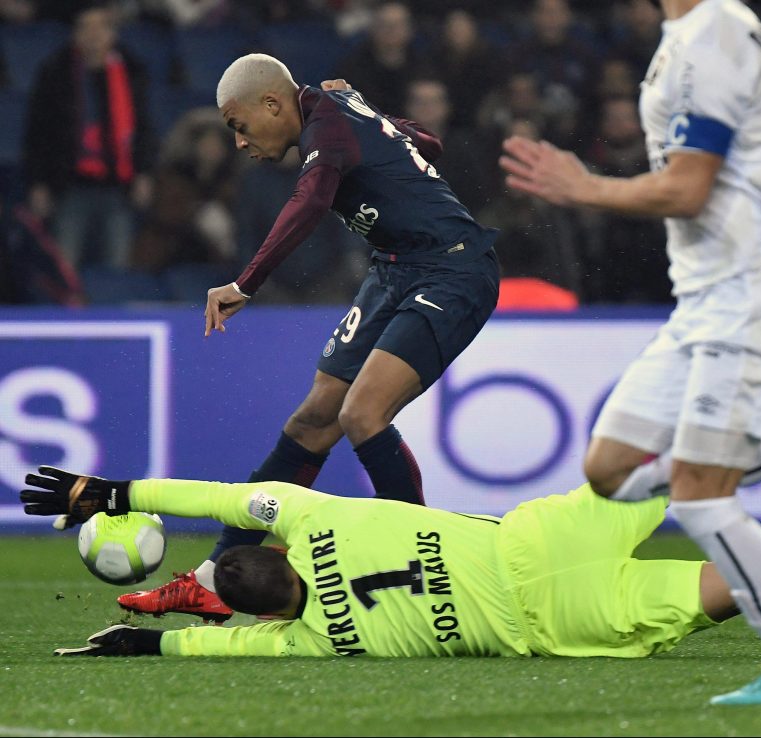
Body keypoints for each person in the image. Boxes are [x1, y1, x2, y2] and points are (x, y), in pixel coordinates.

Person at [498, 0, 761, 705]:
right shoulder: (717, 34)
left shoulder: (714, 38)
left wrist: (583, 186)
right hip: (706, 299)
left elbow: (688, 188)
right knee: (609, 470)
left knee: (704, 498)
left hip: (749, 291)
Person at [118, 55, 500, 623]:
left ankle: (424, 569)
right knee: (313, 419)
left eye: (239, 126)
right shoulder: (340, 111)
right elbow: (429, 145)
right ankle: (215, 580)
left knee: (362, 415)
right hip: (394, 269)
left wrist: (246, 282)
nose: (241, 144)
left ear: (273, 104)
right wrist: (372, 116)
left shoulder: (329, 124)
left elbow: (313, 199)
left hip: (452, 270)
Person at [20, 467, 761, 665]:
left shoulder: (319, 645)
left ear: (265, 615)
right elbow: (224, 499)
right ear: (270, 554)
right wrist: (118, 491)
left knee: (732, 591)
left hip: (553, 623)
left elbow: (213, 655)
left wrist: (143, 649)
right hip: (539, 542)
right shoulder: (312, 515)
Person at [22, 0, 154, 273]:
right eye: (85, 28)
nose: (93, 35)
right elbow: (39, 133)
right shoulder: (55, 73)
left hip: (117, 186)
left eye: (100, 28)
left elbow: (142, 128)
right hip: (70, 185)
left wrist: (143, 172)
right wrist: (39, 182)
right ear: (75, 34)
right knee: (64, 266)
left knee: (117, 267)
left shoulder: (130, 72)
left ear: (112, 33)